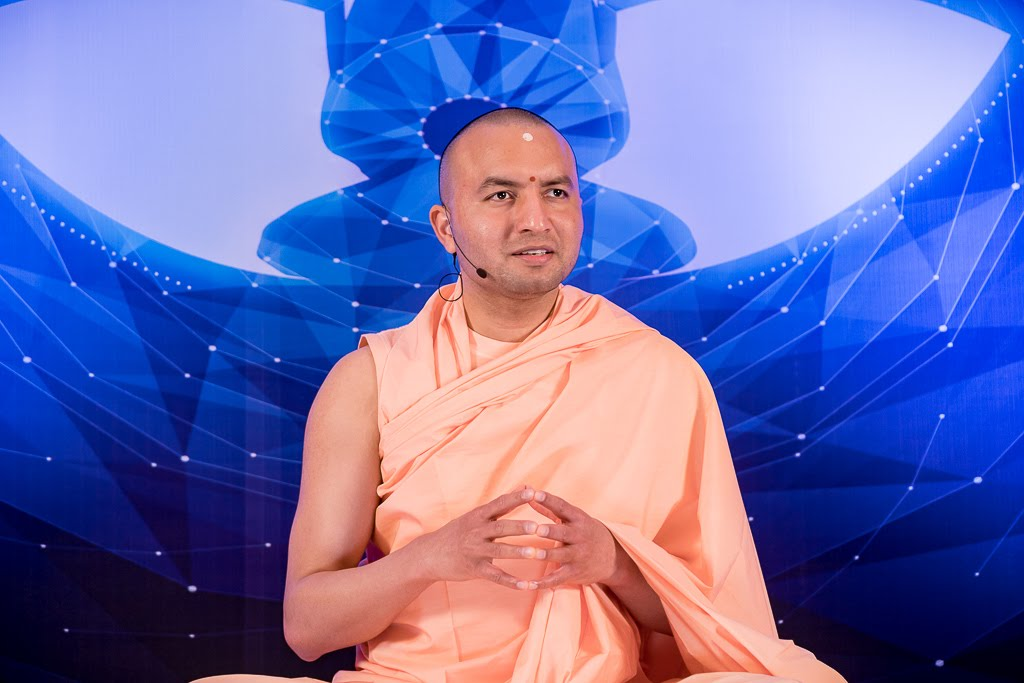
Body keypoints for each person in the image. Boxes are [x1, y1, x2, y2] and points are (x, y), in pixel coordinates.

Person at [193, 108, 847, 683]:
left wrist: (615, 563)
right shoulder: (369, 381)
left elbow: (720, 623)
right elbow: (308, 627)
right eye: (501, 195)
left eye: (556, 192)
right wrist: (431, 558)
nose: (535, 220)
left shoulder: (658, 371)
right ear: (446, 227)